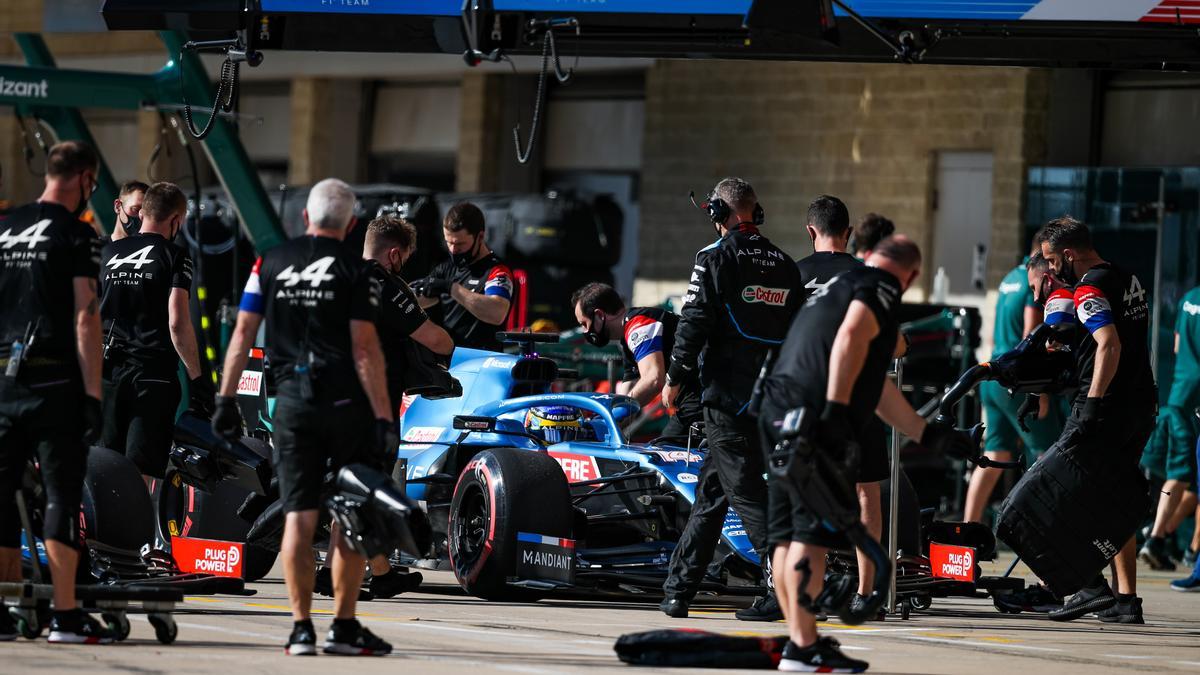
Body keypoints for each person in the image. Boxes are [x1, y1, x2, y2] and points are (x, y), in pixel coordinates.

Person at [758, 235, 972, 672]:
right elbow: (853, 335)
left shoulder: (840, 285)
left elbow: (874, 386)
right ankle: (803, 649)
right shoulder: (879, 286)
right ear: (910, 276)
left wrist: (928, 435)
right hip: (812, 415)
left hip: (775, 408)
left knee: (785, 535)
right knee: (809, 536)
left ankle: (799, 642)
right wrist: (836, 412)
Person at [212, 178, 394, 655]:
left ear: (304, 218)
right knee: (349, 514)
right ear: (352, 224)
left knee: (298, 515)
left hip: (291, 403)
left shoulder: (268, 263)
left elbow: (242, 332)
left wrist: (225, 400)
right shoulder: (358, 270)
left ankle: (299, 629)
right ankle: (343, 626)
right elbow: (365, 349)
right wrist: (382, 418)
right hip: (344, 405)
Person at [659, 177, 801, 622]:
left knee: (744, 494)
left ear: (719, 213)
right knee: (713, 492)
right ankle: (677, 590)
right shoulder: (786, 264)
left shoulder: (713, 257)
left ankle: (785, 587)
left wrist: (675, 376)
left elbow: (693, 321)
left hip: (725, 395)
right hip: (770, 395)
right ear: (755, 213)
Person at [0, 140, 112, 643]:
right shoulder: (77, 233)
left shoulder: (4, 226)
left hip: (3, 381)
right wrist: (92, 396)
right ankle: (65, 616)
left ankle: (4, 609)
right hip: (54, 383)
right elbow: (86, 313)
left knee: (1, 497)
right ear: (86, 178)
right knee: (61, 495)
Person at [1039, 216, 1156, 624]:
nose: (1052, 270)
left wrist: (1091, 403)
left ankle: (1091, 587)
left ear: (1070, 254)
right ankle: (1126, 601)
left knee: (1064, 494)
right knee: (1115, 501)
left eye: (1053, 261)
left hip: (1105, 408)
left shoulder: (1089, 287)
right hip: (1140, 404)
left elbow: (1108, 344)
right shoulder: (1129, 278)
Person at [794, 195, 898, 618]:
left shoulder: (793, 275)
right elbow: (897, 343)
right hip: (860, 398)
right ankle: (866, 591)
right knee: (866, 492)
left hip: (806, 398)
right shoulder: (866, 275)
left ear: (810, 231)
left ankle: (809, 593)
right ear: (849, 233)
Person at [99, 182, 210, 490]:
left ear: (143, 211)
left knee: (104, 462)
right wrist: (198, 380)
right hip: (152, 376)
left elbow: (87, 315)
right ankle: (136, 538)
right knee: (140, 469)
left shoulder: (107, 252)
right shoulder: (175, 255)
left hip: (108, 372)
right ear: (176, 219)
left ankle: (101, 535)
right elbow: (178, 322)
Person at [965, 241, 1064, 525]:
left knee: (995, 453)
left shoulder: (1009, 278)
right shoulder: (1034, 282)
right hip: (1018, 380)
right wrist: (1038, 388)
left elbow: (997, 334)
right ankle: (1045, 528)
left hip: (993, 374)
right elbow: (1030, 333)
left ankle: (968, 528)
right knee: (1049, 455)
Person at [570, 282, 702, 436]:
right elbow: (625, 400)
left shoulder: (639, 326)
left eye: (584, 324)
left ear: (599, 315)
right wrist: (606, 423)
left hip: (705, 395)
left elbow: (653, 380)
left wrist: (605, 421)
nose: (585, 331)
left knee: (665, 450)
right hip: (694, 398)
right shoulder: (626, 339)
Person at [1140, 282, 1200, 570]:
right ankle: (1157, 536)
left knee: (1184, 478)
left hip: (1179, 395)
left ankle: (1160, 535)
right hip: (1195, 404)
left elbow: (1177, 345)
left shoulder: (1189, 298)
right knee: (1182, 476)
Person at [411, 202, 512, 351]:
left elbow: (496, 313)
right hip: (450, 359)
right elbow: (419, 298)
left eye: (460, 244)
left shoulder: (497, 270)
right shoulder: (446, 268)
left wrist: (452, 288)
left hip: (481, 361)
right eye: (449, 243)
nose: (453, 250)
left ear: (480, 236)